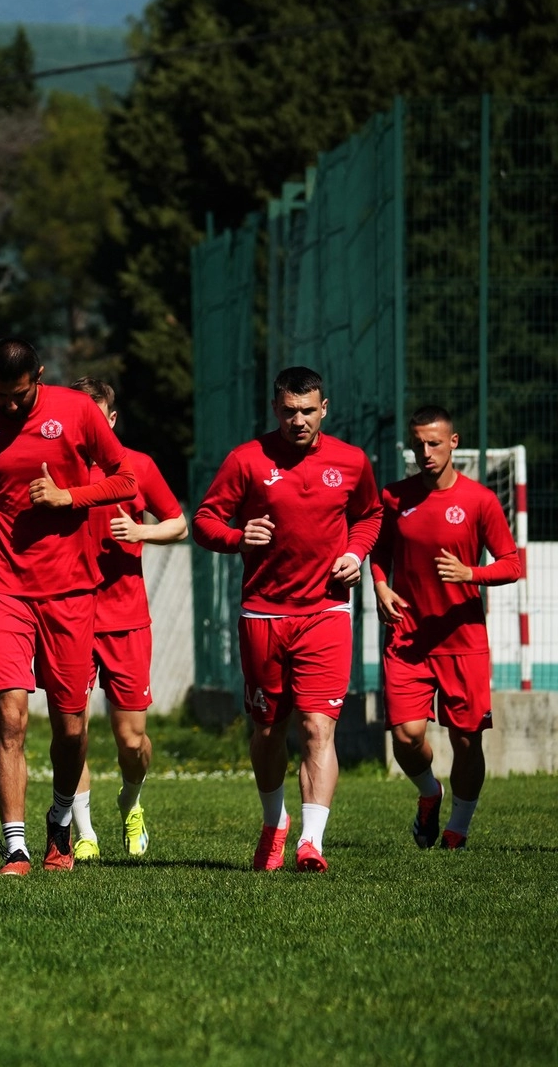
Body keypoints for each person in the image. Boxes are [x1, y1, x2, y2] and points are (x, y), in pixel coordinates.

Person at [0, 337, 137, 876]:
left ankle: (59, 820)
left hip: (72, 589)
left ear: (41, 376)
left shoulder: (77, 411)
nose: (8, 406)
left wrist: (69, 498)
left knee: (70, 727)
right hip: (4, 586)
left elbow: (125, 478)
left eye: (20, 395)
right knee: (9, 716)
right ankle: (16, 845)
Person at [193, 366, 380, 874]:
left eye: (308, 410)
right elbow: (205, 521)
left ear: (325, 408)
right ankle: (274, 823)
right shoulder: (247, 460)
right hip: (263, 614)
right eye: (289, 410)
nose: (298, 420)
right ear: (276, 409)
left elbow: (370, 515)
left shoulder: (351, 461)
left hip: (326, 611)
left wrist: (357, 553)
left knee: (318, 728)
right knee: (269, 731)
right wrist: (238, 537)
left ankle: (311, 842)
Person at [372, 405, 522, 850]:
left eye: (434, 442)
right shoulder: (394, 497)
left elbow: (513, 563)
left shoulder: (480, 500)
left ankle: (458, 827)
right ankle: (428, 792)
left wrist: (470, 574)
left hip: (463, 639)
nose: (426, 451)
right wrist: (380, 586)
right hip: (407, 636)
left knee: (466, 739)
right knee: (406, 735)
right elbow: (378, 552)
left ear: (453, 443)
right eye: (418, 444)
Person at [68, 378, 185, 861]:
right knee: (71, 730)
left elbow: (179, 522)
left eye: (98, 418)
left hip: (126, 619)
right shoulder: (56, 470)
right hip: (69, 616)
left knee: (131, 738)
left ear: (111, 421)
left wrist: (141, 530)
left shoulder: (139, 466)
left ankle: (131, 803)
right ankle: (83, 831)